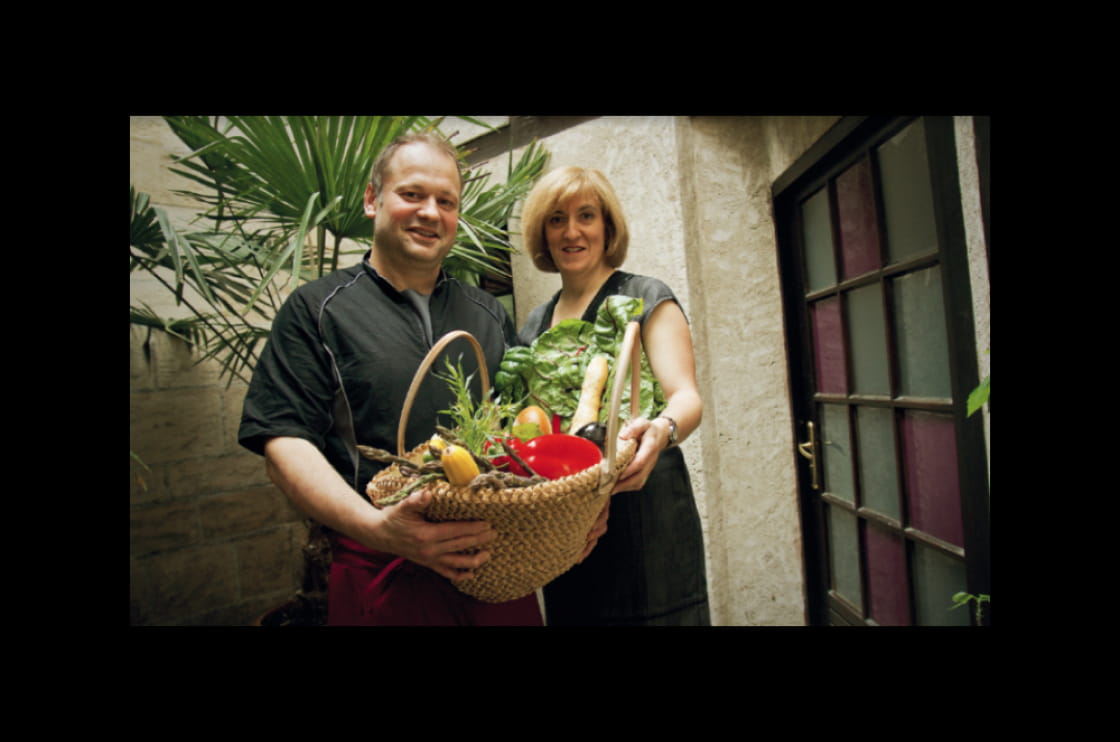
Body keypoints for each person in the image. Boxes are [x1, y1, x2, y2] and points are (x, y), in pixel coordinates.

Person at [238, 132, 543, 626]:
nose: (430, 212)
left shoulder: (487, 312)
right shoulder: (317, 310)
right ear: (372, 199)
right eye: (412, 194)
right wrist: (379, 528)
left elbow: (525, 433)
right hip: (380, 569)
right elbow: (283, 441)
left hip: (495, 569)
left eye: (446, 201)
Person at [517, 165, 711, 626]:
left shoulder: (646, 296)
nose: (572, 231)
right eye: (557, 219)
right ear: (543, 233)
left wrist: (661, 430)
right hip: (570, 525)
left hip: (646, 507)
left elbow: (686, 398)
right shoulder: (535, 323)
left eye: (585, 215)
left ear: (607, 226)